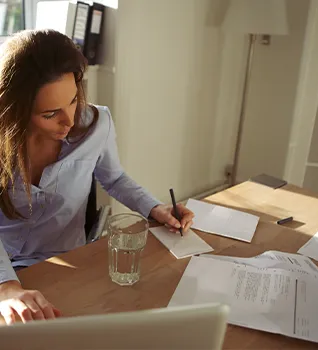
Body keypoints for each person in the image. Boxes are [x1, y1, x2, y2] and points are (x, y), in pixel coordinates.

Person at [0, 29, 194, 325]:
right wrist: (6, 286)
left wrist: (155, 208)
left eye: (73, 100)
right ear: (15, 111)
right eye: (50, 113)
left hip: (64, 263)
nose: (69, 120)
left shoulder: (96, 124)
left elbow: (114, 179)